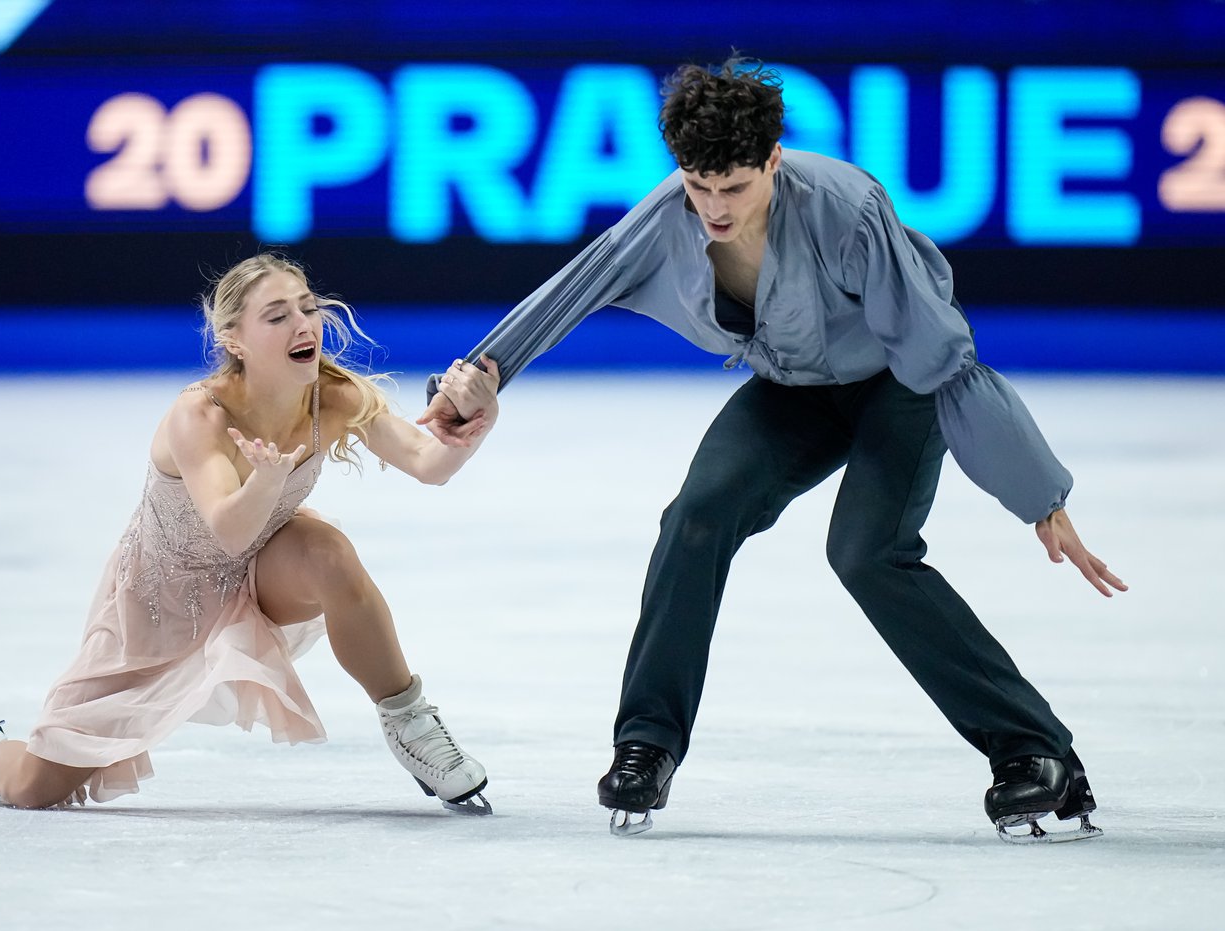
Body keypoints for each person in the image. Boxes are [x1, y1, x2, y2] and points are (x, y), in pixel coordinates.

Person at [418, 58, 1127, 841]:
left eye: (735, 187)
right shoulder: (668, 214)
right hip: (795, 391)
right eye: (698, 184)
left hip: (900, 381)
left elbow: (941, 354)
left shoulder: (847, 211)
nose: (714, 208)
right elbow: (575, 286)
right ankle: (645, 742)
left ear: (774, 160)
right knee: (697, 514)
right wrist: (478, 377)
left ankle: (1035, 751)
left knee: (866, 551)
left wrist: (1037, 493)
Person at [0, 253, 501, 814]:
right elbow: (228, 527)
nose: (304, 324)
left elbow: (428, 464)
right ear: (235, 338)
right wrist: (267, 484)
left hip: (259, 572)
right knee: (38, 787)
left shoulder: (333, 394)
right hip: (159, 602)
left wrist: (477, 418)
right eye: (277, 316)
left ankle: (410, 722)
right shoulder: (199, 414)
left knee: (328, 553)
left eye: (307, 308)